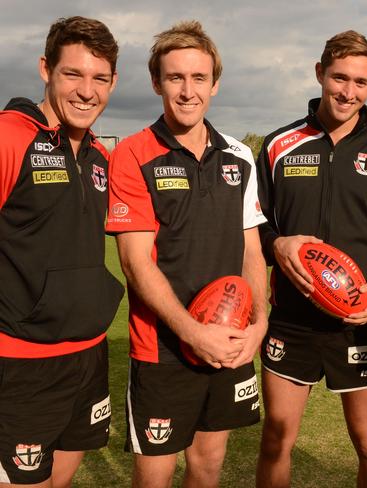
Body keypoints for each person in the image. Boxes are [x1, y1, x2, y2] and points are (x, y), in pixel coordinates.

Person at [255, 30, 367, 487]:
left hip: (360, 318)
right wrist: (277, 243)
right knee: (276, 438)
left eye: (361, 82)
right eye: (339, 78)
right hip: (291, 319)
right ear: (319, 73)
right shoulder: (276, 146)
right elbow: (255, 224)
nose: (348, 92)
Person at [105, 21, 268, 488]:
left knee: (208, 465)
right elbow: (136, 265)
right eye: (175, 78)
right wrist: (193, 333)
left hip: (231, 339)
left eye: (199, 78)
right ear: (156, 82)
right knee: (155, 475)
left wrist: (258, 323)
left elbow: (251, 252)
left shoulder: (239, 156)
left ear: (215, 84)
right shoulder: (133, 154)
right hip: (164, 348)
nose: (187, 91)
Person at [0, 16, 123, 487]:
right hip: (21, 361)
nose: (87, 91)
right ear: (45, 69)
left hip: (88, 357)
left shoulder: (100, 157)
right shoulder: (11, 137)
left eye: (100, 78)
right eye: (73, 74)